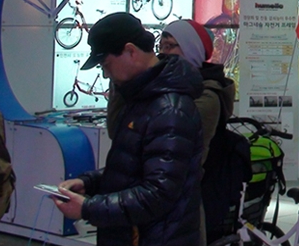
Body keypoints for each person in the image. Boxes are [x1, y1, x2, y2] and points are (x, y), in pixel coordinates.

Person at [53, 13, 203, 245]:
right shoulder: (144, 97)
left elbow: (158, 193)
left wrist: (88, 208)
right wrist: (90, 183)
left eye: (106, 64)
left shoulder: (169, 109)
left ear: (131, 51)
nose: (106, 74)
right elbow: (134, 166)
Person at [159, 19, 235, 163]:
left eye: (168, 46)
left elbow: (177, 141)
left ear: (191, 50)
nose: (162, 53)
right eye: (160, 46)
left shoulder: (207, 95)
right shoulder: (166, 83)